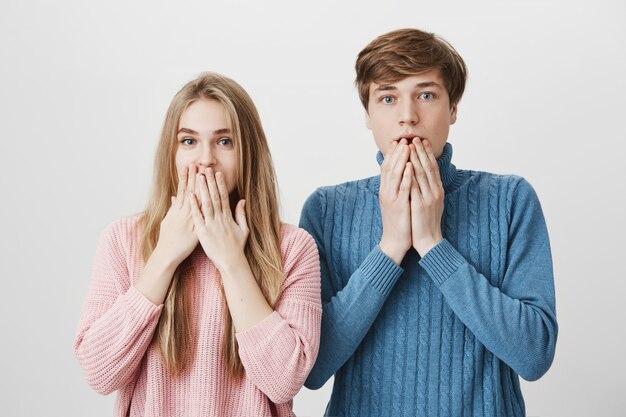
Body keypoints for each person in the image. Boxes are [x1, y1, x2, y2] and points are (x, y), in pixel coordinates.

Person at [300, 28, 557, 416]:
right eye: (387, 98)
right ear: (367, 115)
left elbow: (534, 354)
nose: (408, 117)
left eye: (426, 95)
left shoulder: (510, 200)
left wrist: (434, 245)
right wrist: (389, 248)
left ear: (453, 108)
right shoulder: (326, 209)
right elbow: (311, 369)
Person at [74, 72, 321, 417]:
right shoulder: (122, 239)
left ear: (248, 151)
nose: (205, 159)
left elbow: (284, 380)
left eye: (224, 142)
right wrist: (164, 256)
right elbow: (99, 373)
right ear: (171, 152)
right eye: (189, 141)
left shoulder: (294, 247)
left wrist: (231, 260)